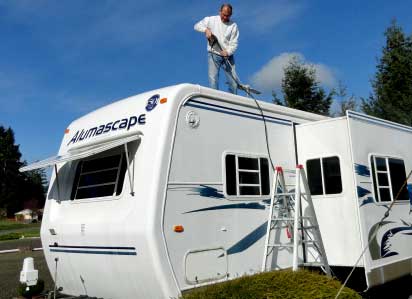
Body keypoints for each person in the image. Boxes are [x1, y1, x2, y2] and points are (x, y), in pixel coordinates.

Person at [194, 4, 239, 94]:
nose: (225, 17)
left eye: (228, 15)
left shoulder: (233, 26)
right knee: (213, 80)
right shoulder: (210, 20)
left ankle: (232, 103)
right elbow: (196, 26)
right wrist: (206, 30)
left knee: (233, 83)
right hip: (213, 53)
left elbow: (234, 43)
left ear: (231, 14)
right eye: (223, 14)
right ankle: (215, 101)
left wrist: (228, 52)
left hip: (227, 56)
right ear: (220, 12)